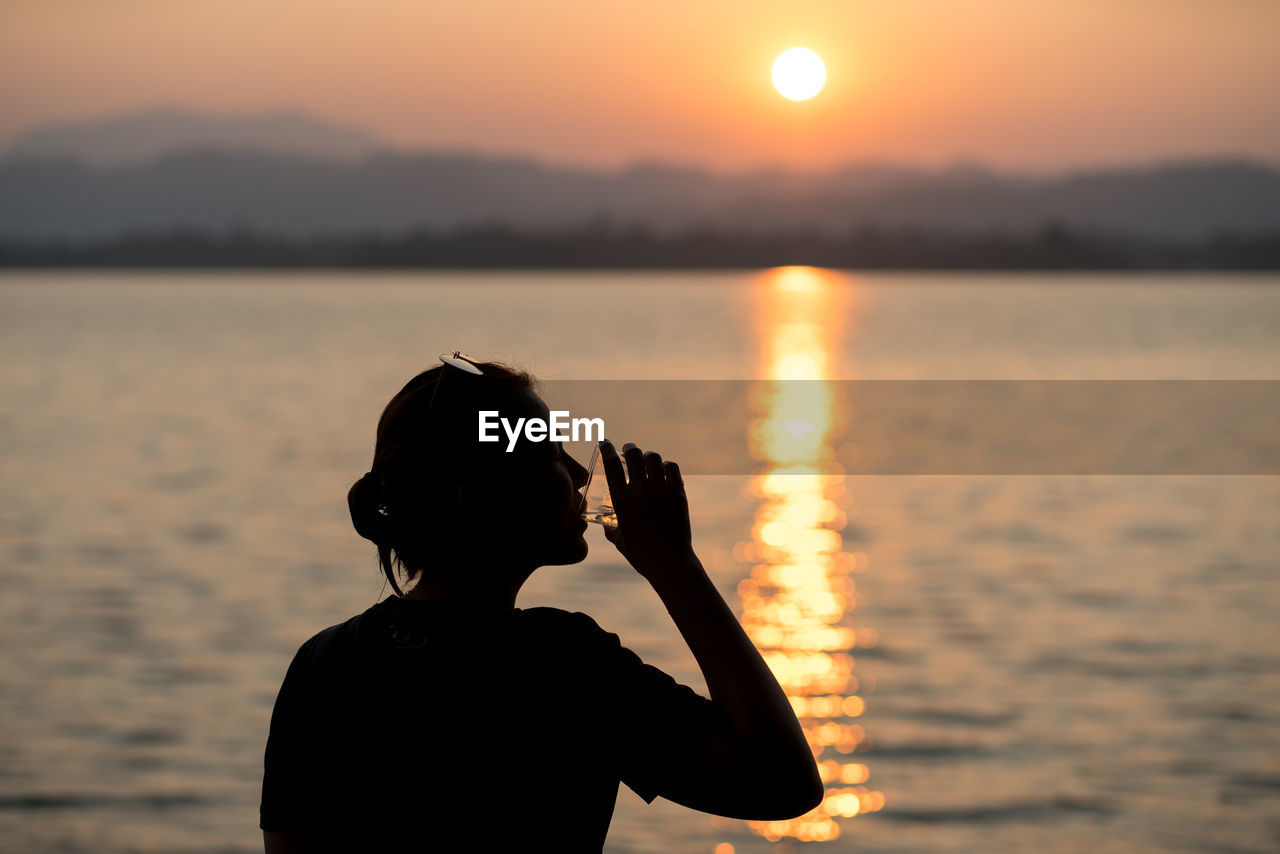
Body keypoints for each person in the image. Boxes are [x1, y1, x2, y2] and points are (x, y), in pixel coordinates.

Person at [260, 357, 823, 853]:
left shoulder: (323, 661)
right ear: (477, 499)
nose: (581, 475)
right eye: (550, 454)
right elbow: (783, 784)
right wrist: (677, 569)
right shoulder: (564, 662)